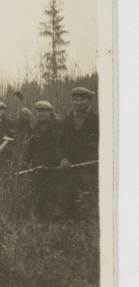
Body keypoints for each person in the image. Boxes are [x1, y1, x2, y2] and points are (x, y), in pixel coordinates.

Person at [57, 87, 99, 220]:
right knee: (66, 201)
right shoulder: (67, 120)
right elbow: (59, 143)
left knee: (87, 202)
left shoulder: (97, 120)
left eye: (82, 99)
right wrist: (62, 158)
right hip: (69, 169)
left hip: (89, 169)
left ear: (89, 100)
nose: (78, 102)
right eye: (75, 100)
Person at [23, 101, 62, 221]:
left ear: (51, 112)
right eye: (39, 111)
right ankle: (39, 222)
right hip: (38, 168)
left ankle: (53, 222)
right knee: (38, 195)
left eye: (44, 111)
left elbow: (62, 145)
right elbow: (30, 148)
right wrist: (25, 162)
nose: (41, 114)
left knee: (54, 196)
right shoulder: (35, 129)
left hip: (54, 168)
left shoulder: (59, 126)